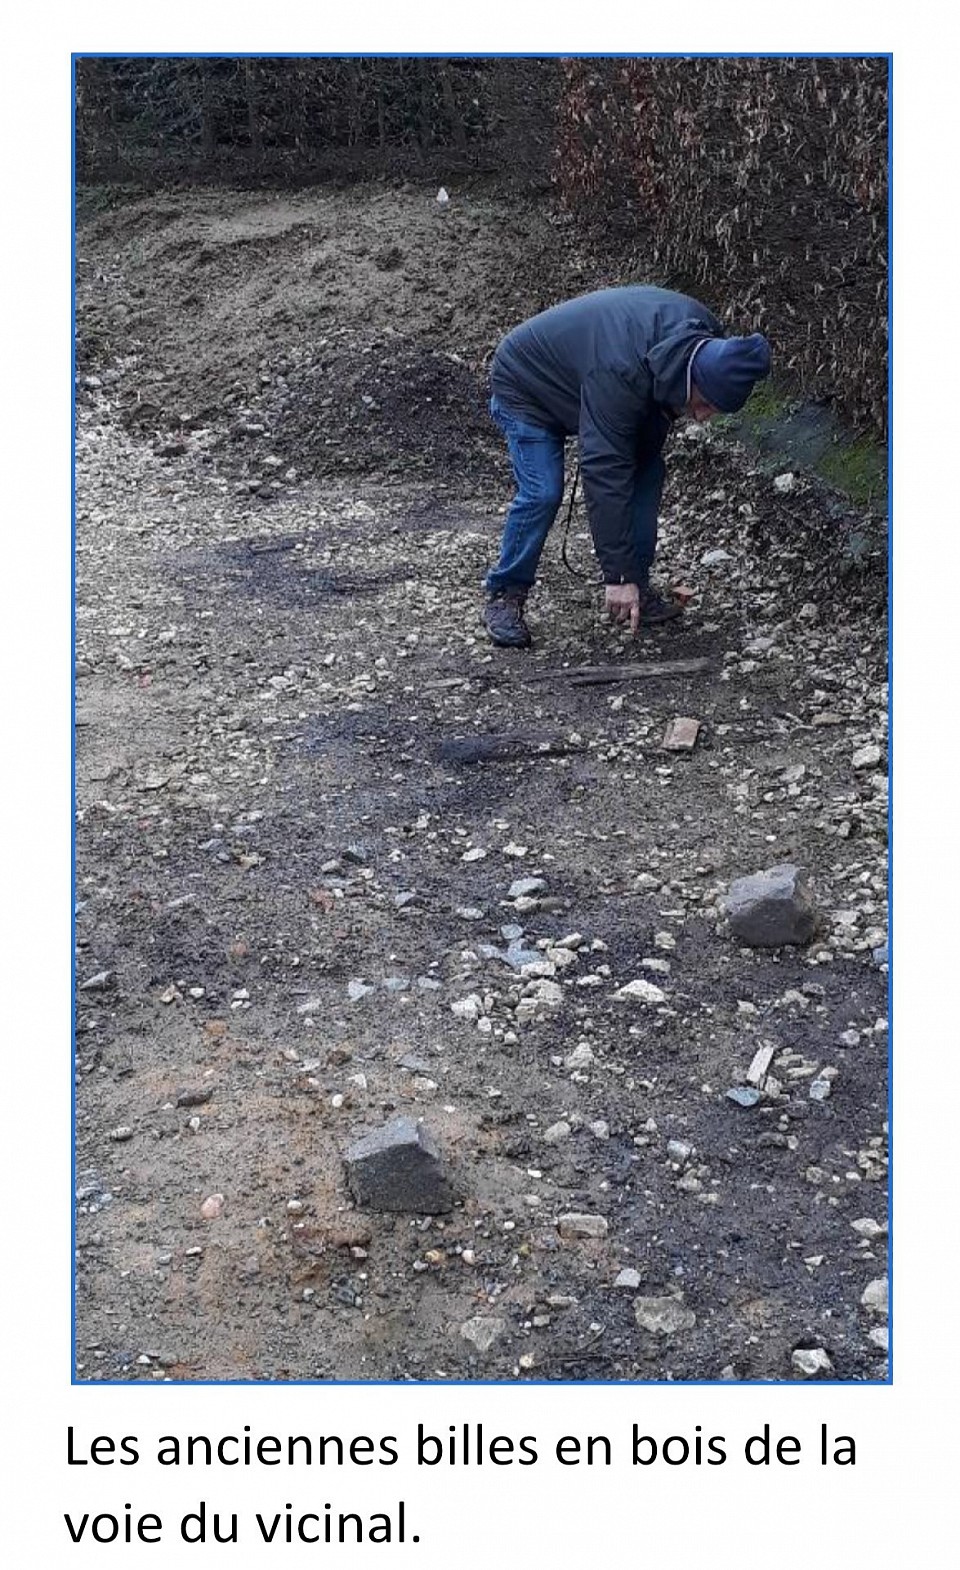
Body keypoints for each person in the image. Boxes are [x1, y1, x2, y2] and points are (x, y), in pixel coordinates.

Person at [483, 285, 772, 647]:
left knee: (648, 472)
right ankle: (505, 594)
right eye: (703, 404)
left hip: (588, 381)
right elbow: (604, 469)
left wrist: (630, 575)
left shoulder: (703, 341)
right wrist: (617, 576)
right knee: (543, 490)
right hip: (526, 384)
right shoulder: (620, 370)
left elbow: (637, 460)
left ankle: (638, 585)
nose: (701, 418)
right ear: (692, 378)